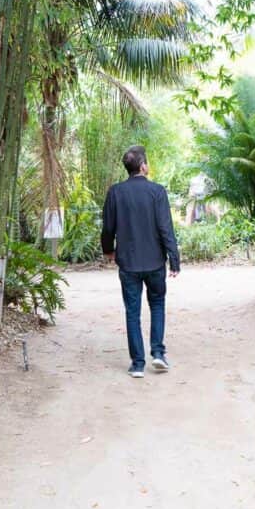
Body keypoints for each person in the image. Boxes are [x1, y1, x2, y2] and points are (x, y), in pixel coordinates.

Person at [101, 145, 181, 378]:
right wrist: (174, 259)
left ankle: (137, 364)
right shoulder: (157, 192)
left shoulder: (115, 192)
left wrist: (109, 251)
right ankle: (158, 353)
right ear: (143, 166)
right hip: (155, 261)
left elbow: (108, 227)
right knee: (157, 305)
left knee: (132, 312)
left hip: (128, 263)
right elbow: (165, 227)